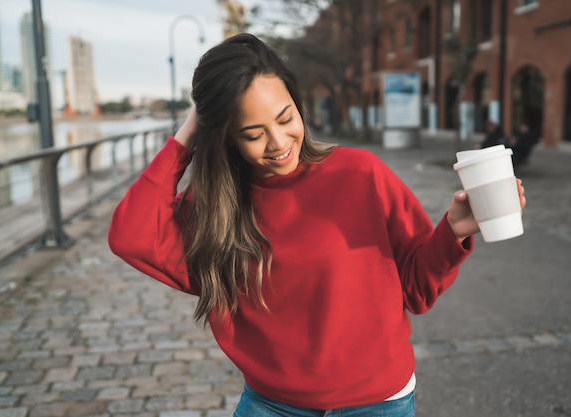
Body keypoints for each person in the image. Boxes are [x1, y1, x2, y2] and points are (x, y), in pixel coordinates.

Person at [108, 33, 526, 416]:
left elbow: (417, 290)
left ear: (297, 101)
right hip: (271, 406)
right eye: (252, 133)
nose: (278, 143)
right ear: (225, 137)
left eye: (286, 117)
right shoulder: (216, 207)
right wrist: (188, 133)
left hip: (377, 405)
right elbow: (131, 236)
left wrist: (453, 232)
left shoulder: (363, 174)